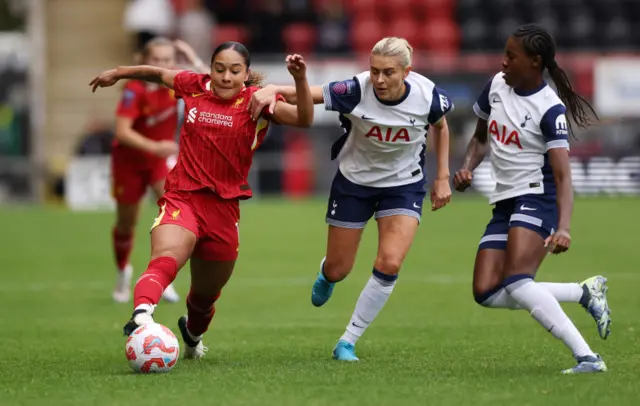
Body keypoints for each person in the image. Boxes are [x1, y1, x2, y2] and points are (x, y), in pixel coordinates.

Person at [90, 42, 314, 359]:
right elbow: (157, 73)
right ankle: (142, 314)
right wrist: (120, 73)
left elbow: (304, 119)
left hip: (224, 209)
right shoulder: (193, 86)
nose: (225, 76)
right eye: (219, 68)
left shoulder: (258, 101)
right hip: (183, 195)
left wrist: (300, 79)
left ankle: (193, 338)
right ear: (209, 68)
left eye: (234, 71)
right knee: (167, 255)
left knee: (204, 297)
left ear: (246, 74)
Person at [249, 37, 453, 361]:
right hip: (354, 183)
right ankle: (326, 273)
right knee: (339, 268)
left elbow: (441, 127)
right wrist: (273, 88)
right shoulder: (356, 89)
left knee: (389, 262)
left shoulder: (430, 97)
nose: (380, 80)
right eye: (374, 71)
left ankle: (348, 340)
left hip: (403, 186)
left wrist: (442, 177)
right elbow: (310, 95)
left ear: (407, 72)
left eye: (388, 72)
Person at [452, 24, 610, 374]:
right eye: (504, 54)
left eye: (511, 56)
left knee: (517, 281)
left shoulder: (548, 109)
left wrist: (564, 227)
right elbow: (479, 138)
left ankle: (588, 358)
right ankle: (583, 293)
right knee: (486, 291)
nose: (503, 62)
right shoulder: (495, 86)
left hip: (538, 198)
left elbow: (563, 175)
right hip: (505, 200)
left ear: (534, 61)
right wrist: (466, 167)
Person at [110, 37, 208, 304]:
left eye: (168, 60)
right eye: (157, 59)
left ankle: (163, 278)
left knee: (175, 216)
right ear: (144, 61)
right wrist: (155, 147)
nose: (163, 64)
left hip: (158, 164)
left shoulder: (173, 84)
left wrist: (192, 55)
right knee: (126, 223)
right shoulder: (134, 90)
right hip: (128, 163)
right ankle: (122, 272)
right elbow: (122, 131)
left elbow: (212, 84)